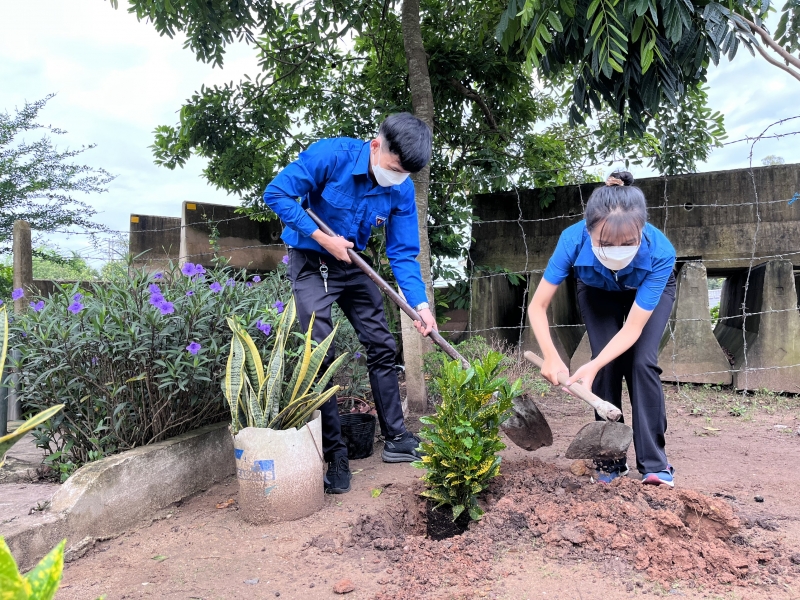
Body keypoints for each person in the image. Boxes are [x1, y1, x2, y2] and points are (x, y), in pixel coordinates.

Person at [263, 113, 437, 494]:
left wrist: (421, 306)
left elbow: (404, 253)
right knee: (320, 351)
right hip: (311, 261)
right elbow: (275, 193)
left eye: (406, 174)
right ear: (376, 146)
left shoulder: (401, 188)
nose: (397, 178)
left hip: (354, 264)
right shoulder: (331, 155)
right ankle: (335, 454)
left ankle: (396, 439)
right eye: (394, 168)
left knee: (382, 343)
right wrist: (322, 239)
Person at [527, 171, 677, 487]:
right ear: (589, 231)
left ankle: (655, 464)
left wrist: (591, 367)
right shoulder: (571, 240)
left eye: (629, 243)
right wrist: (552, 357)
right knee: (605, 364)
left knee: (642, 363)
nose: (618, 249)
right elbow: (537, 306)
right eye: (606, 243)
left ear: (643, 231)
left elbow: (633, 329)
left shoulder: (661, 252)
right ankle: (610, 461)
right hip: (595, 289)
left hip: (647, 292)